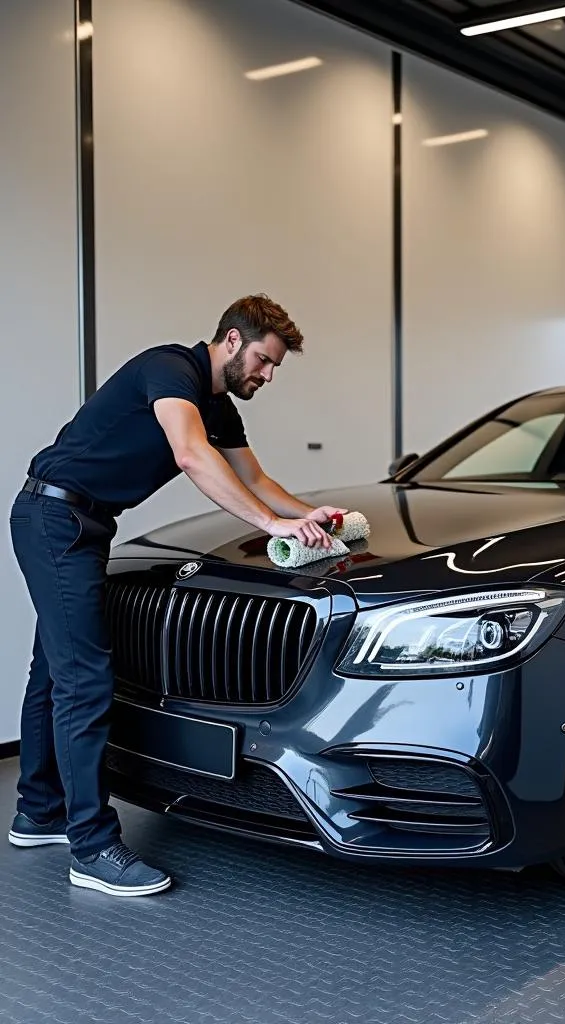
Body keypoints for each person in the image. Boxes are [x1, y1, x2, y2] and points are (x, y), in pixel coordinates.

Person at [6, 294, 347, 897]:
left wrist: (307, 514)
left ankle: (38, 812)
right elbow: (191, 456)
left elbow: (256, 479)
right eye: (265, 362)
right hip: (53, 517)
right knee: (84, 679)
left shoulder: (219, 407)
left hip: (84, 523)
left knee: (53, 673)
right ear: (234, 342)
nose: (267, 377)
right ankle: (91, 847)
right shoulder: (171, 370)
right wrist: (270, 527)